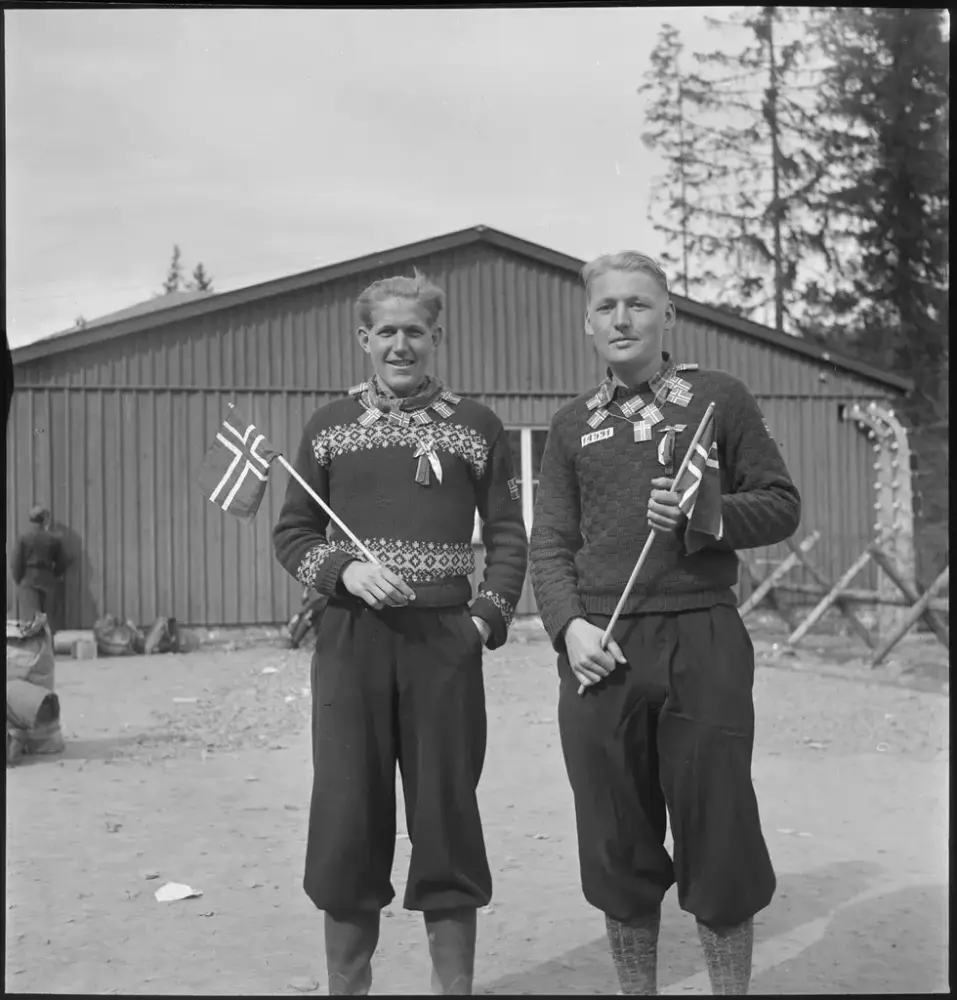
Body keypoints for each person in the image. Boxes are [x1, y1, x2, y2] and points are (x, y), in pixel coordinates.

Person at [529, 252, 801, 996]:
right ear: (588, 324)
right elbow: (549, 543)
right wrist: (568, 629)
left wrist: (702, 513)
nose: (622, 319)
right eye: (607, 307)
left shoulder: (717, 400)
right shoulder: (569, 426)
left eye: (638, 305)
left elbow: (779, 504)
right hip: (601, 650)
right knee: (616, 837)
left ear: (668, 315)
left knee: (717, 829)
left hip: (700, 637)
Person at [273, 270, 528, 996]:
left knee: (446, 807)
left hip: (444, 643)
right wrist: (343, 573)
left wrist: (486, 616)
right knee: (349, 810)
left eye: (414, 330)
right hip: (351, 643)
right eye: (385, 330)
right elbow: (292, 531)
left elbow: (507, 532)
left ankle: (454, 989)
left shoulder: (475, 425)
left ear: (435, 338)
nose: (399, 343)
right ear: (363, 339)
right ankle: (348, 988)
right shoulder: (328, 426)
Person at [11, 505, 68, 627]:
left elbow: (16, 563)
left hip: (29, 579)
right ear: (45, 520)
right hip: (47, 578)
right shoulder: (54, 539)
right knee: (48, 623)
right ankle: (48, 645)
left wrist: (20, 580)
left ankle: (32, 645)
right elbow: (62, 563)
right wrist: (54, 575)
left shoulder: (23, 538)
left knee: (31, 623)